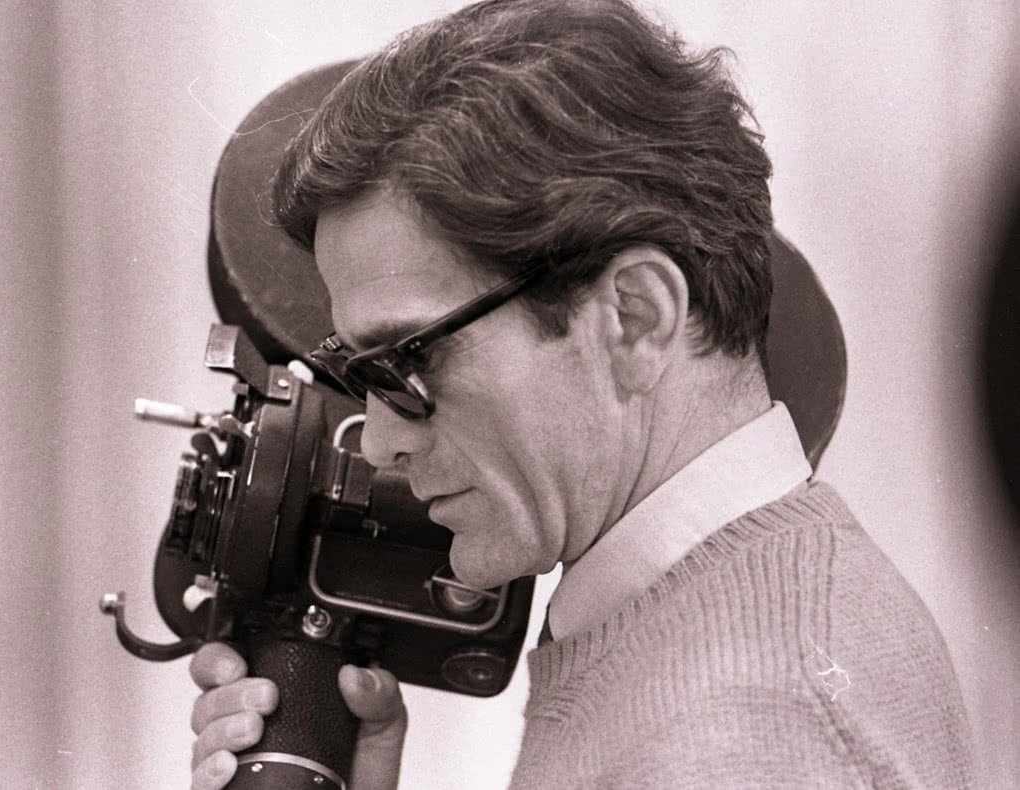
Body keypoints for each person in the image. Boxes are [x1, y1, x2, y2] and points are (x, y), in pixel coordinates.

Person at [188, 1, 976, 787]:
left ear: (635, 317)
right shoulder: (730, 626)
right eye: (358, 375)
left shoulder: (742, 738)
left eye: (409, 358)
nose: (379, 440)